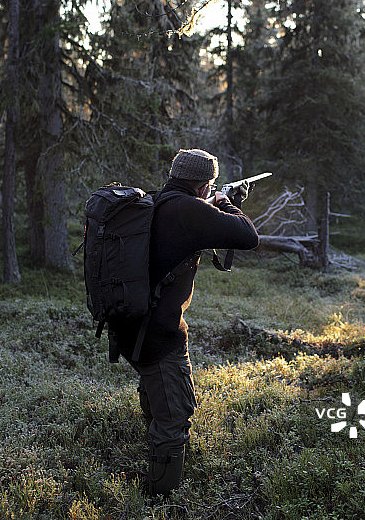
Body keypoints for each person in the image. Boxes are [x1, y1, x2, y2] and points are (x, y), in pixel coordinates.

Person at [111, 148, 259, 496]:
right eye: (210, 185)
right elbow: (248, 236)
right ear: (204, 184)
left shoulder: (158, 202)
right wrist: (227, 203)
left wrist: (214, 202)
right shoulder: (190, 210)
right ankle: (161, 502)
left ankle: (155, 455)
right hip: (160, 335)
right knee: (174, 416)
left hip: (131, 327)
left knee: (157, 395)